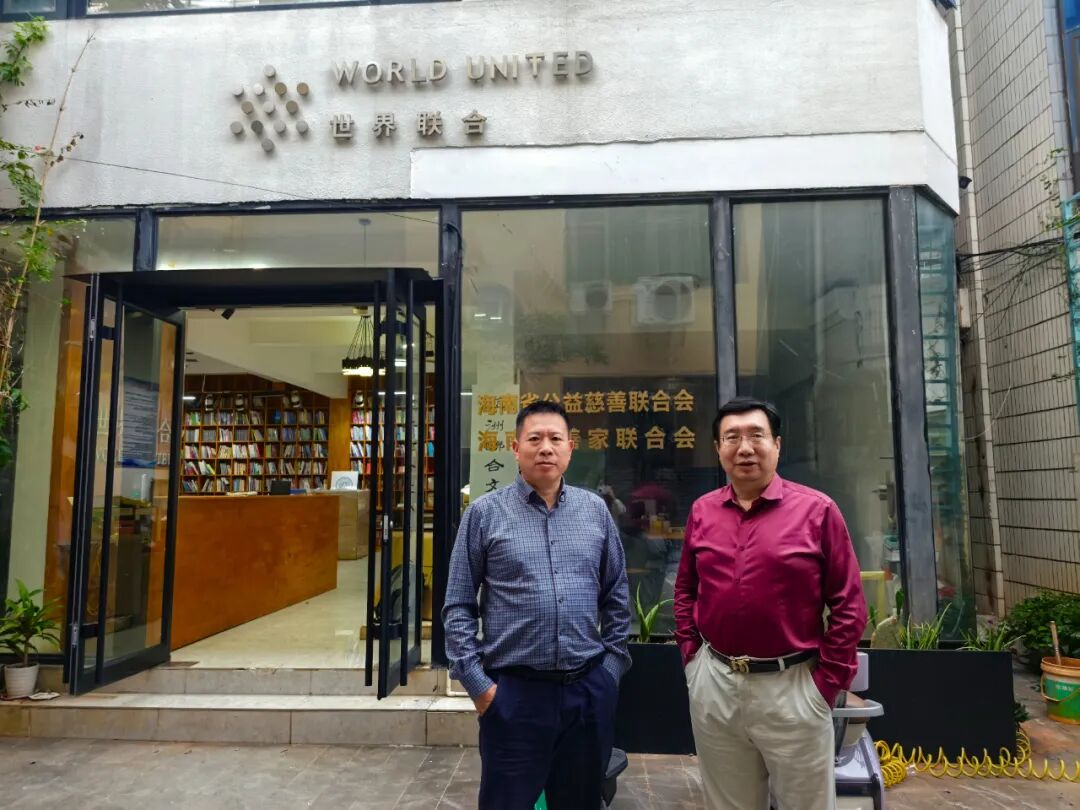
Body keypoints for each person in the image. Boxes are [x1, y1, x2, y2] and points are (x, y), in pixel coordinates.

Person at [674, 396, 867, 810]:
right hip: (716, 683)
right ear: (718, 449)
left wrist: (826, 685)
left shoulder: (817, 511)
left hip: (793, 686)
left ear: (776, 445)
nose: (744, 448)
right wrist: (692, 659)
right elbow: (686, 588)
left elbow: (849, 604)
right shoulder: (703, 511)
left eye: (756, 436)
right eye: (732, 438)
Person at [443, 400, 631, 810]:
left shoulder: (595, 511)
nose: (545, 447)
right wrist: (480, 687)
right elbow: (458, 605)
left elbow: (617, 595)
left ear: (570, 448)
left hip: (586, 694)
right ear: (515, 448)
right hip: (514, 696)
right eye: (534, 439)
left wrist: (610, 672)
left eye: (555, 438)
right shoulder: (484, 514)